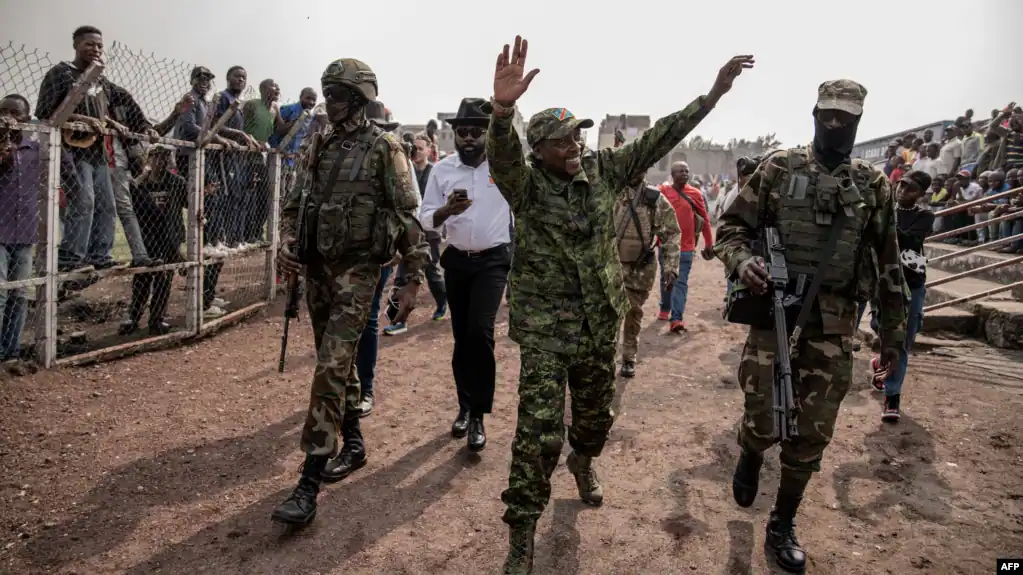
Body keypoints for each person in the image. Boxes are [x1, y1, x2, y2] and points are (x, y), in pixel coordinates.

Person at [485, 35, 753, 573]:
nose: (575, 146)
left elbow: (660, 136)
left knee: (595, 420)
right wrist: (503, 109)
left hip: (597, 323)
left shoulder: (605, 171)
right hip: (544, 329)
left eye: (577, 137)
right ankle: (522, 532)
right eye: (562, 141)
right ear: (539, 150)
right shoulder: (526, 186)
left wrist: (713, 95)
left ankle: (583, 461)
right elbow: (502, 153)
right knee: (536, 432)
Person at [714, 79, 906, 574]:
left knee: (812, 431)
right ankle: (752, 452)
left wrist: (893, 335)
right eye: (828, 115)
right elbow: (732, 228)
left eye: (846, 118)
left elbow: (889, 264)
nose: (835, 124)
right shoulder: (779, 168)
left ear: (859, 121)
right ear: (815, 113)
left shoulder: (873, 186)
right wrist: (741, 264)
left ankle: (782, 523)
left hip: (834, 326)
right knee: (762, 413)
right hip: (774, 313)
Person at [272, 58, 429, 527]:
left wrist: (411, 279)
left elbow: (406, 215)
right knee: (335, 363)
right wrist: (287, 240)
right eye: (326, 92)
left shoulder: (385, 148)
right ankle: (355, 444)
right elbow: (297, 200)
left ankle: (308, 483)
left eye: (338, 93)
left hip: (358, 273)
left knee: (330, 367)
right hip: (318, 269)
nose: (329, 101)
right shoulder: (320, 143)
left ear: (359, 97)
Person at [418, 97, 512, 452]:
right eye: (462, 132)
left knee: (480, 332)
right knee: (461, 337)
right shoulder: (443, 170)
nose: (469, 138)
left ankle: (478, 417)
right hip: (457, 260)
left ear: (487, 135)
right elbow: (426, 217)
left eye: (476, 131)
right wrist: (446, 210)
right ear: (454, 135)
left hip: (493, 261)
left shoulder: (502, 167)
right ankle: (464, 405)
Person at [35, 25, 118, 275]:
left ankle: (100, 255)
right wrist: (80, 118)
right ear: (76, 45)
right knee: (84, 202)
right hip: (73, 150)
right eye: (89, 44)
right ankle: (71, 258)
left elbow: (102, 113)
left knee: (107, 205)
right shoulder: (61, 73)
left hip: (98, 153)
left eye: (99, 45)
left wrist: (113, 124)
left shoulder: (101, 80)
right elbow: (44, 113)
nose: (95, 49)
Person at [0, 95, 72, 360]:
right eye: (3, 111)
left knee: (19, 295)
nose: (8, 117)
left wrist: (54, 132)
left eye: (15, 113)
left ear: (26, 119)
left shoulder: (35, 149)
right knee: (0, 294)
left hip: (25, 232)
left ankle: (10, 352)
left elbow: (67, 168)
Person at [866, 170, 933, 421]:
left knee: (903, 341)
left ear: (921, 194)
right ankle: (880, 362)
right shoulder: (884, 209)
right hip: (882, 279)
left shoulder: (924, 216)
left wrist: (883, 220)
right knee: (879, 326)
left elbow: (910, 241)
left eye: (911, 188)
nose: (903, 190)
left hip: (911, 283)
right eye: (901, 185)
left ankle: (892, 397)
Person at [118, 144, 195, 335]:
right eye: (157, 157)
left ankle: (157, 319)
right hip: (147, 237)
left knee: (163, 278)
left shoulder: (176, 182)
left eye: (165, 157)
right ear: (149, 158)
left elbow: (189, 204)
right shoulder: (141, 183)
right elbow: (128, 195)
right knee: (142, 278)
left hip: (170, 236)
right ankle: (133, 317)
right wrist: (143, 176)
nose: (161, 162)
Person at [615, 175, 681, 378]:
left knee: (633, 313)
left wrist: (671, 267)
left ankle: (628, 357)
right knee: (608, 313)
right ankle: (605, 357)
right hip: (610, 265)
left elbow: (671, 233)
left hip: (639, 268)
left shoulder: (653, 199)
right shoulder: (611, 192)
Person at [657, 161, 713, 331]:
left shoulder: (695, 194)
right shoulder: (662, 192)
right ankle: (665, 308)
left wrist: (709, 243)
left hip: (686, 248)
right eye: (680, 171)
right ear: (672, 175)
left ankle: (676, 319)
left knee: (680, 282)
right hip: (665, 246)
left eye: (687, 171)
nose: (684, 174)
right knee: (666, 278)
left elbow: (705, 220)